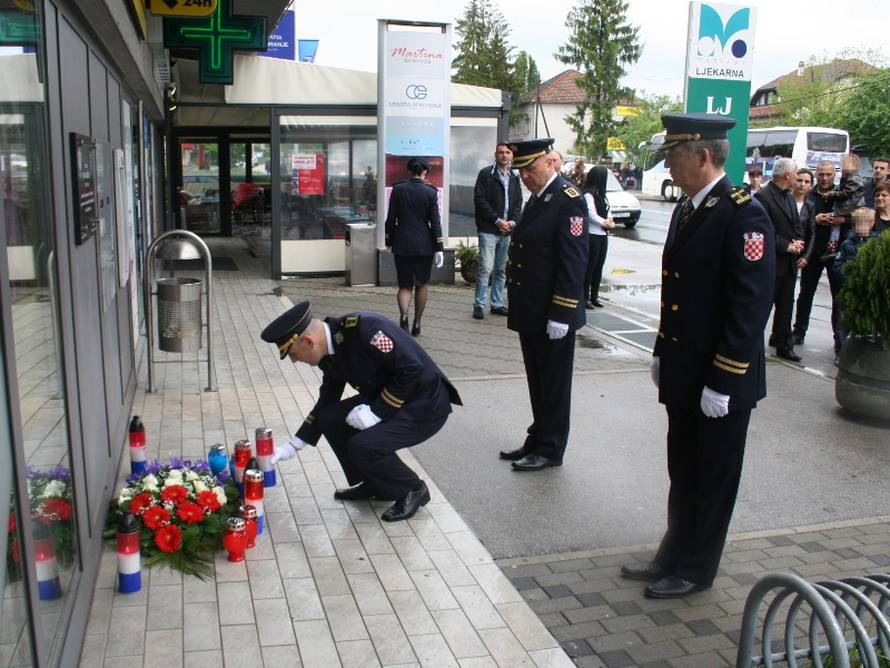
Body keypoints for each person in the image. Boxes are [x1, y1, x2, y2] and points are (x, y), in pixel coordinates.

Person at [620, 113, 775, 600]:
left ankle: (696, 567)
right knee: (683, 470)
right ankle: (672, 552)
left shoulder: (743, 213)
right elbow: (680, 293)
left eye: (674, 155)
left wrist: (724, 380)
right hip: (687, 372)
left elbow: (749, 308)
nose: (669, 166)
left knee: (713, 478)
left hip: (721, 380)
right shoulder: (690, 209)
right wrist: (663, 352)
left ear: (702, 156)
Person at [263, 301, 462, 522]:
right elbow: (326, 401)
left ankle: (413, 489)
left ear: (308, 342)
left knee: (364, 445)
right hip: (394, 400)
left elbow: (411, 368)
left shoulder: (366, 330)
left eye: (292, 354)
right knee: (329, 418)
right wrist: (293, 446)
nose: (294, 361)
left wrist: (376, 412)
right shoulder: (329, 353)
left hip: (424, 404)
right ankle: (377, 482)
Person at [496, 138, 588, 471]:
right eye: (520, 171)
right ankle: (538, 436)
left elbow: (573, 262)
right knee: (538, 379)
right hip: (532, 309)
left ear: (550, 162)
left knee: (554, 383)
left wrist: (562, 311)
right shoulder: (538, 198)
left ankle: (550, 448)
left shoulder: (568, 199)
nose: (524, 176)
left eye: (530, 169)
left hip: (553, 312)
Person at [384, 158, 444, 337]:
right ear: (425, 172)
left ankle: (404, 316)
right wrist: (439, 247)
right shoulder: (430, 192)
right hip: (424, 245)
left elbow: (391, 219)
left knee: (404, 286)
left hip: (402, 244)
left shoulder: (398, 189)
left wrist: (389, 241)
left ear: (409, 171)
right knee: (422, 284)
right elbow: (435, 222)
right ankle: (417, 323)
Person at [755, 158, 805, 362]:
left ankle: (783, 343)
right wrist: (787, 246)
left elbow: (797, 224)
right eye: (795, 175)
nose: (798, 178)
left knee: (786, 307)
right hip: (771, 264)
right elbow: (762, 231)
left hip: (789, 265)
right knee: (762, 308)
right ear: (787, 176)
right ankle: (753, 345)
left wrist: (799, 241)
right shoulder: (762, 197)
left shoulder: (790, 198)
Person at [792, 161, 845, 351]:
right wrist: (816, 219)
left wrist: (842, 219)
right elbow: (800, 221)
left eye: (828, 174)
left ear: (834, 175)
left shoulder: (840, 195)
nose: (824, 178)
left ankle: (839, 340)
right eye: (821, 174)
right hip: (812, 253)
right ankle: (799, 332)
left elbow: (853, 214)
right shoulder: (809, 195)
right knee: (805, 294)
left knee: (838, 298)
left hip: (835, 254)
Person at [472, 143, 522, 319]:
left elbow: (518, 202)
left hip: (507, 230)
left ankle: (497, 304)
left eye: (508, 152)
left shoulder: (515, 176)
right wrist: (497, 220)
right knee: (486, 268)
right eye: (501, 152)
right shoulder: (486, 174)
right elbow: (480, 200)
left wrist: (513, 222)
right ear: (495, 155)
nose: (504, 155)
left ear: (511, 156)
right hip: (489, 228)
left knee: (501, 269)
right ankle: (479, 304)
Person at [832, 207, 879, 358]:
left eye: (863, 223)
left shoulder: (876, 243)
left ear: (871, 224)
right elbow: (837, 266)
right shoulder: (847, 244)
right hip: (848, 288)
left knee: (866, 320)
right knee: (843, 319)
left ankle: (863, 350)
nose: (860, 227)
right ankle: (841, 350)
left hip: (867, 290)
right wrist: (850, 274)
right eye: (857, 223)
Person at [581, 166, 615, 309]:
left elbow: (608, 210)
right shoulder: (589, 194)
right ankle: (585, 297)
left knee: (599, 267)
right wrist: (604, 222)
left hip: (602, 235)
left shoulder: (602, 194)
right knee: (590, 267)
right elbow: (590, 213)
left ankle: (594, 296)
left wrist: (610, 221)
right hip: (592, 235)